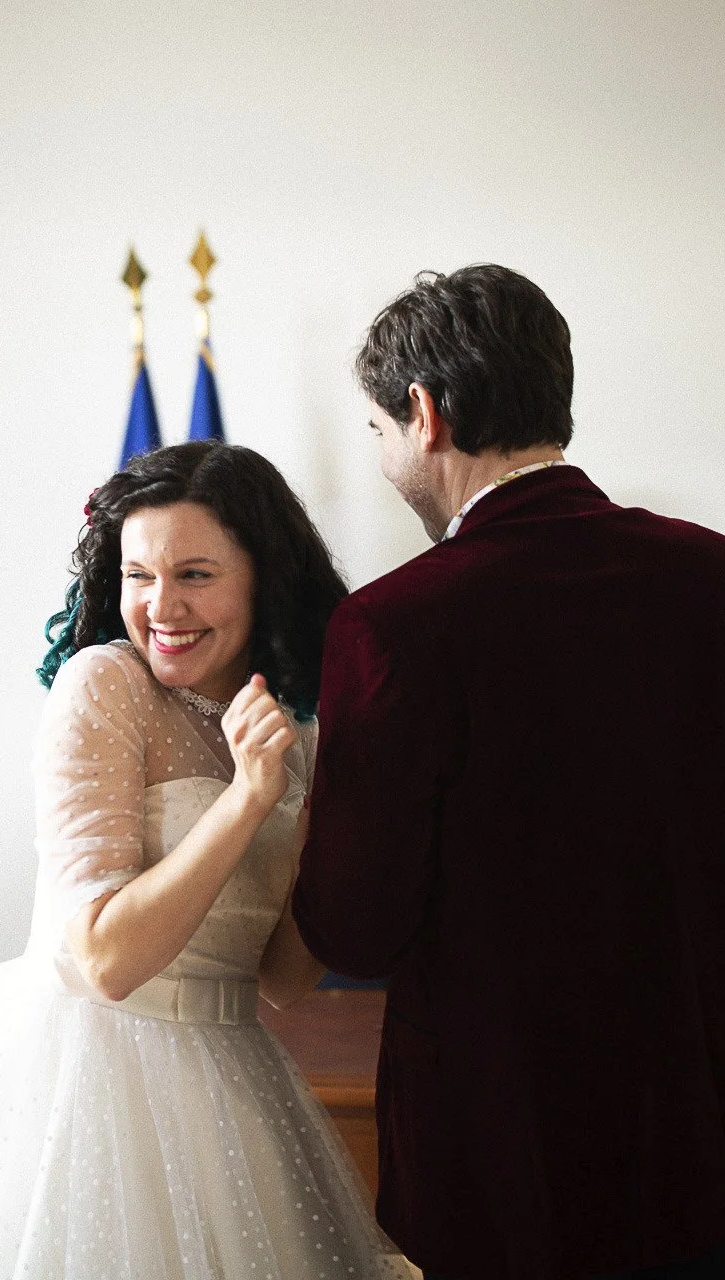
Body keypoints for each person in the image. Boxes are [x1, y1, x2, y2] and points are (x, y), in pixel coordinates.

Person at [0, 441, 412, 1279]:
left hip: (229, 1076)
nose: (161, 606)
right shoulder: (104, 684)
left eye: (195, 575)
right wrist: (246, 801)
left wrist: (338, 821)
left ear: (262, 577)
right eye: (139, 575)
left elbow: (280, 977)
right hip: (81, 1084)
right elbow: (103, 958)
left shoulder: (294, 730)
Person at [292, 264, 725, 1280]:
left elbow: (352, 923)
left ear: (422, 411)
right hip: (698, 1124)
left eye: (377, 431)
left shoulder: (392, 624)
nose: (384, 456)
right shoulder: (711, 577)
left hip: (502, 1146)